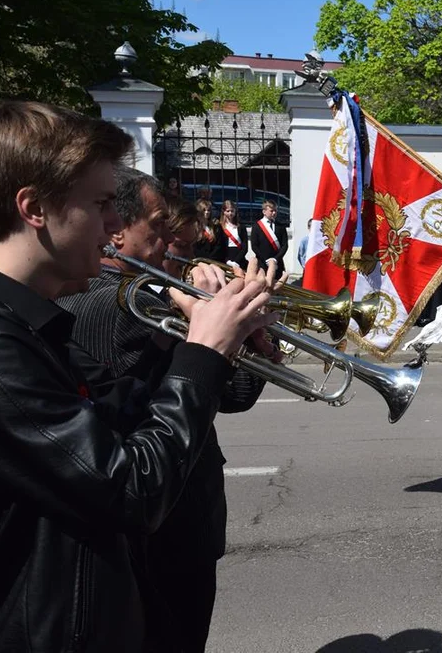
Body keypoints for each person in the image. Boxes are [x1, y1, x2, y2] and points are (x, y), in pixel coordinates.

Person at [0, 100, 275, 650]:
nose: (114, 226)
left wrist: (223, 340)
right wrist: (204, 352)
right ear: (34, 209)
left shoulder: (32, 326)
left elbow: (135, 412)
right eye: (99, 205)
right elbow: (133, 488)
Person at [57, 170, 278, 653]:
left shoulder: (159, 299)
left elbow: (235, 394)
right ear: (116, 230)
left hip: (185, 518)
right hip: (155, 528)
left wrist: (256, 337)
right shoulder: (117, 303)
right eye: (157, 228)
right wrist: (209, 314)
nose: (172, 244)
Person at [251, 199, 289, 278]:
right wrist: (265, 260)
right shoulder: (257, 226)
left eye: (275, 210)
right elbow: (254, 246)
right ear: (264, 212)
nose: (274, 213)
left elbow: (284, 245)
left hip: (277, 262)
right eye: (271, 211)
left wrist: (276, 259)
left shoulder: (281, 226)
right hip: (262, 262)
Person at [194, 198, 226, 262]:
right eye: (204, 210)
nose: (207, 212)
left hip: (214, 260)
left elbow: (220, 245)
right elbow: (194, 247)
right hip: (199, 260)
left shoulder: (216, 227)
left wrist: (211, 259)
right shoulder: (194, 227)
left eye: (208, 210)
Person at [220, 199, 248, 268]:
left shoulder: (241, 226)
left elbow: (245, 247)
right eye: (228, 211)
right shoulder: (220, 226)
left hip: (239, 258)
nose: (230, 213)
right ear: (223, 212)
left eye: (232, 211)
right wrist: (227, 261)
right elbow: (220, 247)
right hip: (226, 259)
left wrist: (236, 261)